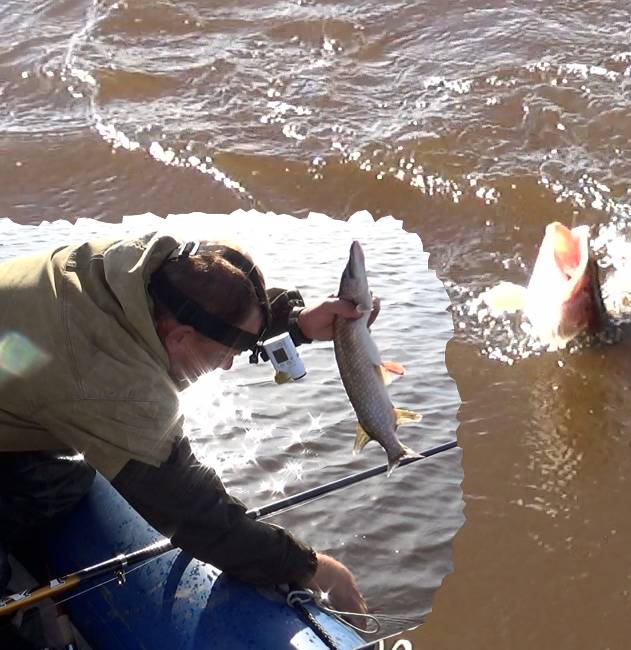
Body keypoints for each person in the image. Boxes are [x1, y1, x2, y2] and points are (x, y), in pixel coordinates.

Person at [0, 233, 372, 620]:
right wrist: (313, 567)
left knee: (70, 478)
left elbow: (213, 306)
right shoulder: (113, 384)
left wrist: (296, 323)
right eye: (228, 353)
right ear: (181, 337)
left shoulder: (138, 270)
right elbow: (197, 517)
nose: (229, 363)